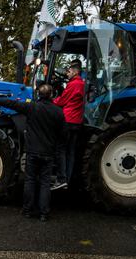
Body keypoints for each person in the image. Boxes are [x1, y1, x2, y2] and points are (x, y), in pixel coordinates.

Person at [0, 84, 65, 222]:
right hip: (48, 153)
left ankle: (27, 210)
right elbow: (63, 135)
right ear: (51, 95)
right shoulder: (58, 112)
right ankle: (44, 214)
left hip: (32, 152)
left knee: (30, 181)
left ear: (38, 94)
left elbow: (12, 104)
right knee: (45, 183)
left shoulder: (32, 107)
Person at [51, 60, 85, 190]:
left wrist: (50, 101)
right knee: (71, 151)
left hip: (68, 120)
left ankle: (61, 179)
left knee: (61, 150)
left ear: (75, 72)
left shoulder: (73, 84)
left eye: (69, 71)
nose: (67, 73)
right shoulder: (82, 84)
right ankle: (67, 180)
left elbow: (62, 101)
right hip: (77, 122)